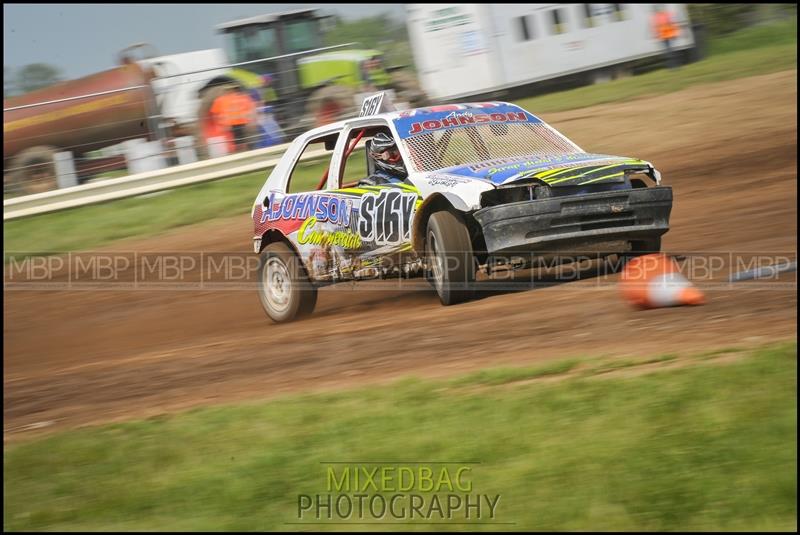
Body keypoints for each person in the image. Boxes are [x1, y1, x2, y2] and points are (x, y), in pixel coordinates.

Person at [651, 5, 680, 70]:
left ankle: (673, 67)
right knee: (670, 51)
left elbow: (673, 24)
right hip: (665, 36)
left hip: (668, 35)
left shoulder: (660, 16)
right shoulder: (660, 16)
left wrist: (675, 33)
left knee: (670, 51)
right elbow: (655, 27)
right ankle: (673, 67)